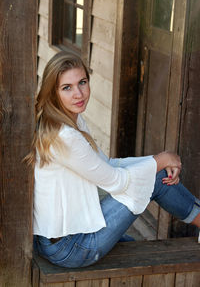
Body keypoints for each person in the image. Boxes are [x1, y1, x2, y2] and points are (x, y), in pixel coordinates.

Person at [28, 51, 200, 268]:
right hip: (71, 247)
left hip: (63, 238)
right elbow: (115, 181)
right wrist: (161, 160)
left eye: (82, 82)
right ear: (53, 92)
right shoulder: (65, 136)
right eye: (67, 87)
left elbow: (106, 165)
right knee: (155, 177)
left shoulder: (67, 120)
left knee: (135, 243)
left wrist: (158, 160)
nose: (78, 94)